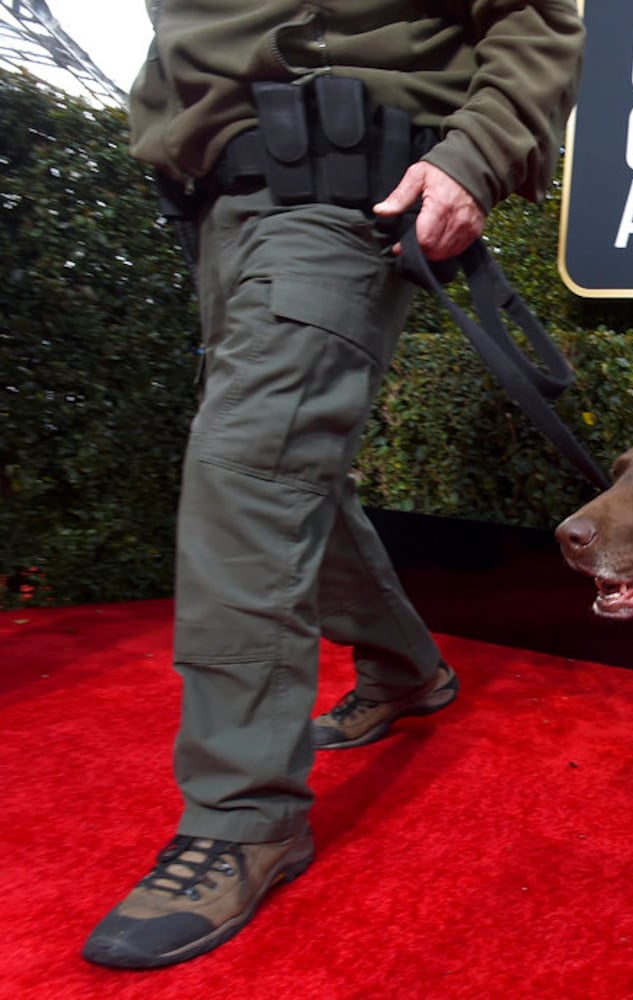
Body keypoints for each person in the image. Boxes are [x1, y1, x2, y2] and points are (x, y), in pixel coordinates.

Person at [82, 1, 585, 969]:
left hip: (348, 186)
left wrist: (477, 152)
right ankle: (406, 668)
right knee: (276, 466)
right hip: (220, 204)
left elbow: (535, 13)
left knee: (249, 465)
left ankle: (243, 815)